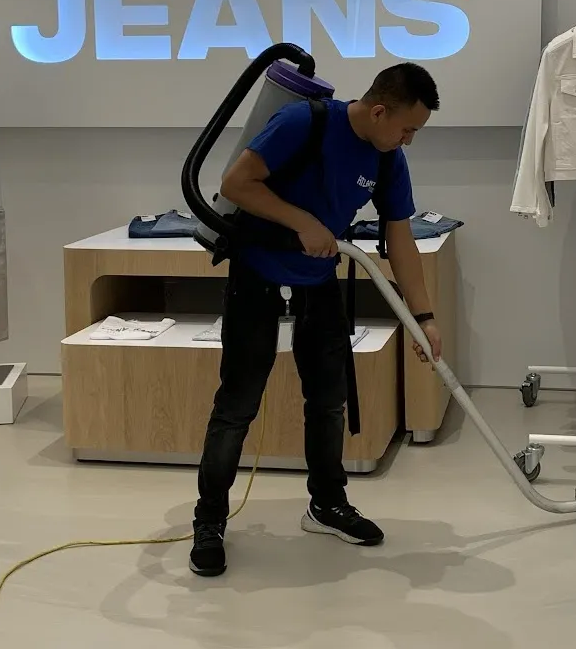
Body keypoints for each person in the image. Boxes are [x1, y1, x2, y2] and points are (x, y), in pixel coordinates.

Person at [190, 62, 444, 577]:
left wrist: (423, 317)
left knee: (329, 401)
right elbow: (236, 183)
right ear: (379, 111)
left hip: (320, 282)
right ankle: (209, 519)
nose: (409, 140)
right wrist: (302, 221)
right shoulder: (304, 122)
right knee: (237, 405)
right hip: (257, 275)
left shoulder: (387, 158)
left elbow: (400, 238)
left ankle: (327, 505)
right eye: (407, 129)